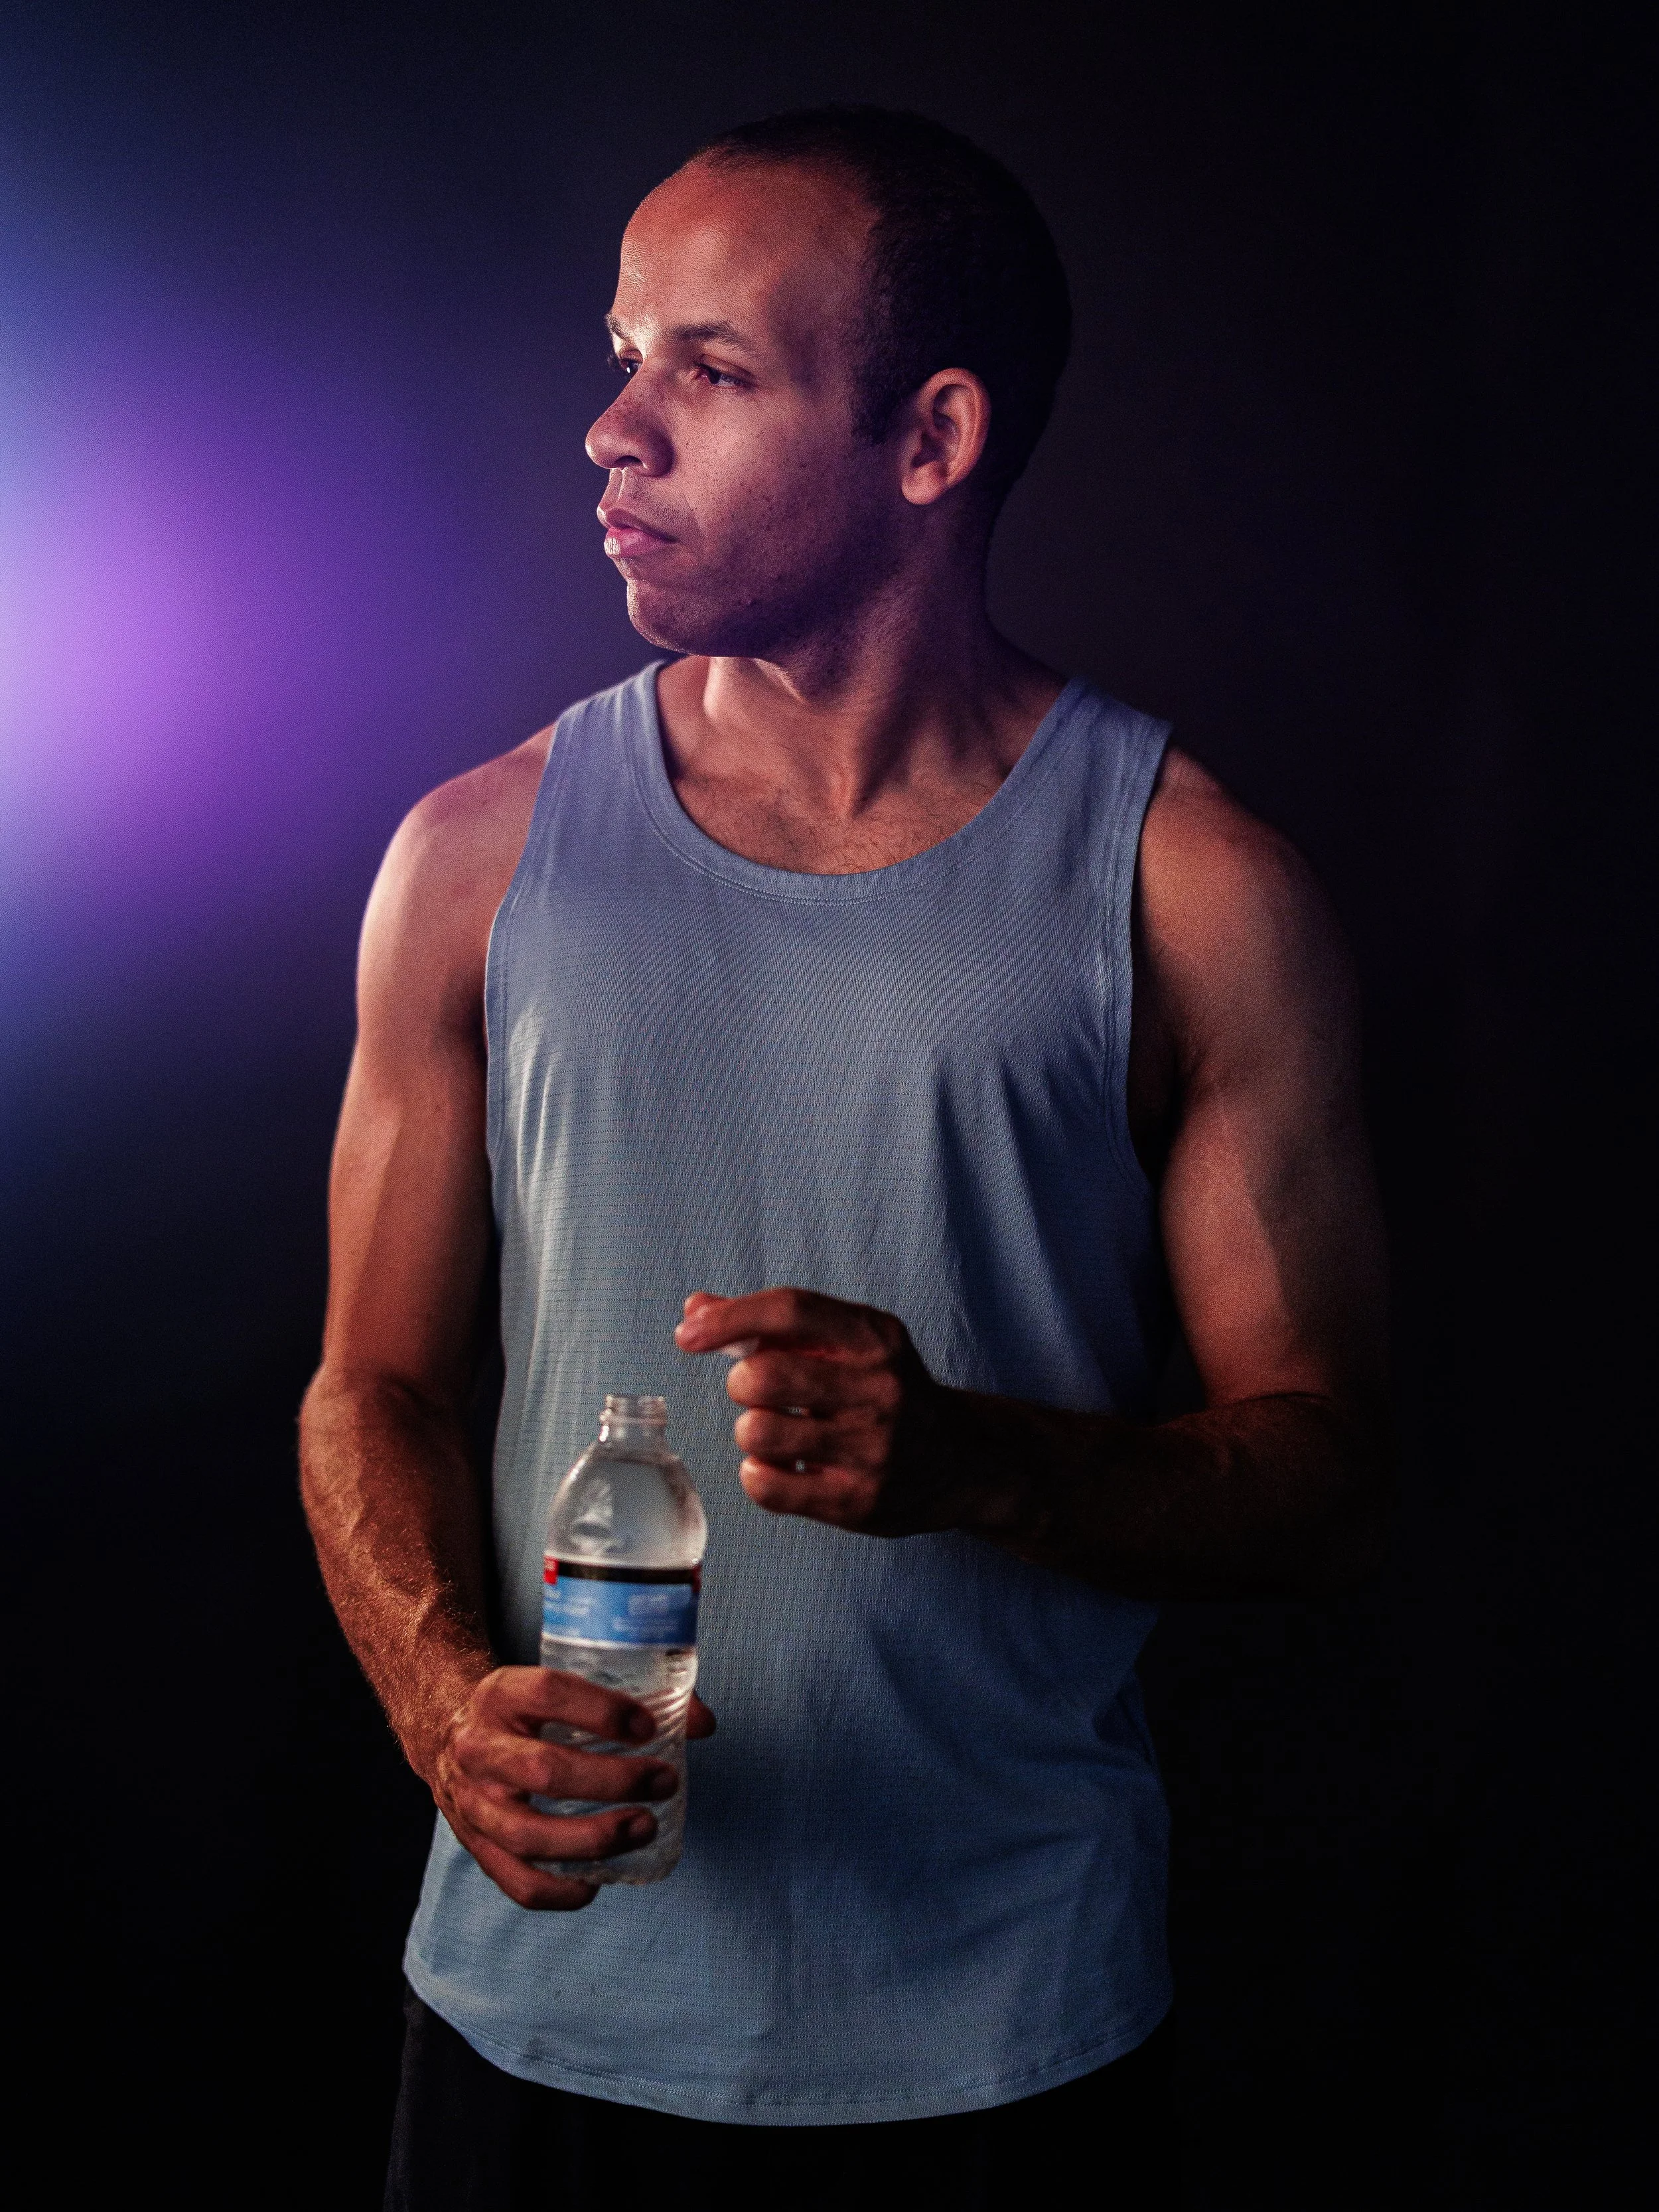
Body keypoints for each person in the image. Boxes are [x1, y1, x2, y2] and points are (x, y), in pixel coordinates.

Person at [299, 106, 1392, 2212]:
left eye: (705, 370)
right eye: (621, 355)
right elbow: (377, 1386)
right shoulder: (473, 857)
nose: (612, 429)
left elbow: (1330, 1477)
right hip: (545, 2016)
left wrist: (981, 1464)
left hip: (1005, 2042)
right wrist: (446, 1706)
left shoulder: (1190, 887)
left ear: (930, 436)